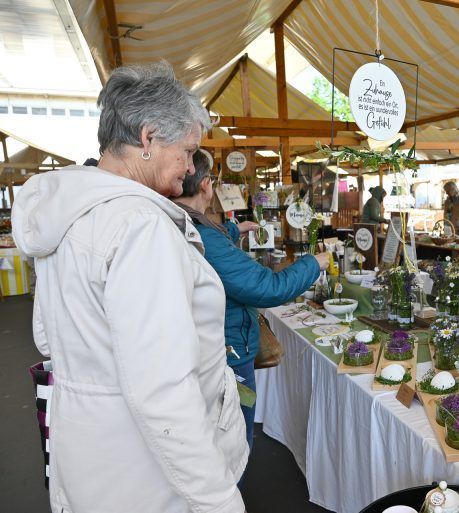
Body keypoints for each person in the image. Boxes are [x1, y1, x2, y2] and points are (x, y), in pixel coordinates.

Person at [11, 63, 249, 513]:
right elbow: (163, 391)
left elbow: (47, 336)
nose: (191, 168)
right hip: (146, 474)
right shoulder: (140, 226)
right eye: (187, 150)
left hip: (89, 450)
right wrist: (218, 500)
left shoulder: (71, 213)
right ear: (148, 138)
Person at [175, 151, 329, 452]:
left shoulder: (180, 222)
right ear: (206, 184)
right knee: (235, 442)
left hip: (210, 349)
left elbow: (213, 246)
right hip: (228, 354)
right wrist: (313, 263)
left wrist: (234, 230)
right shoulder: (205, 237)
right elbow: (268, 287)